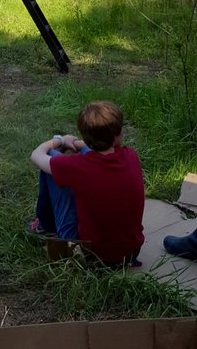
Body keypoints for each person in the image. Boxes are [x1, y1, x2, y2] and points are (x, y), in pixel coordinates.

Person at [28, 100, 144, 267]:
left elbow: (36, 155)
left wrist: (59, 141)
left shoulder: (77, 167)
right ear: (118, 135)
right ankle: (45, 224)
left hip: (90, 256)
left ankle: (45, 225)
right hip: (131, 253)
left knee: (52, 158)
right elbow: (96, 148)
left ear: (86, 137)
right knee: (66, 165)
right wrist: (76, 144)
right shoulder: (130, 155)